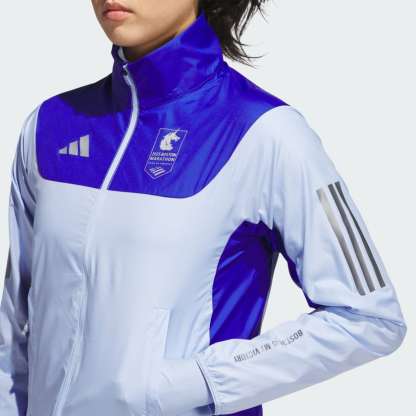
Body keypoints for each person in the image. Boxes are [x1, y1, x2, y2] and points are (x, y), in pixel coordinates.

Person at [0, 1, 407, 416]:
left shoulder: (268, 133)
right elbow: (14, 325)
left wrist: (191, 383)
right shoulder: (49, 125)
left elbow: (370, 318)